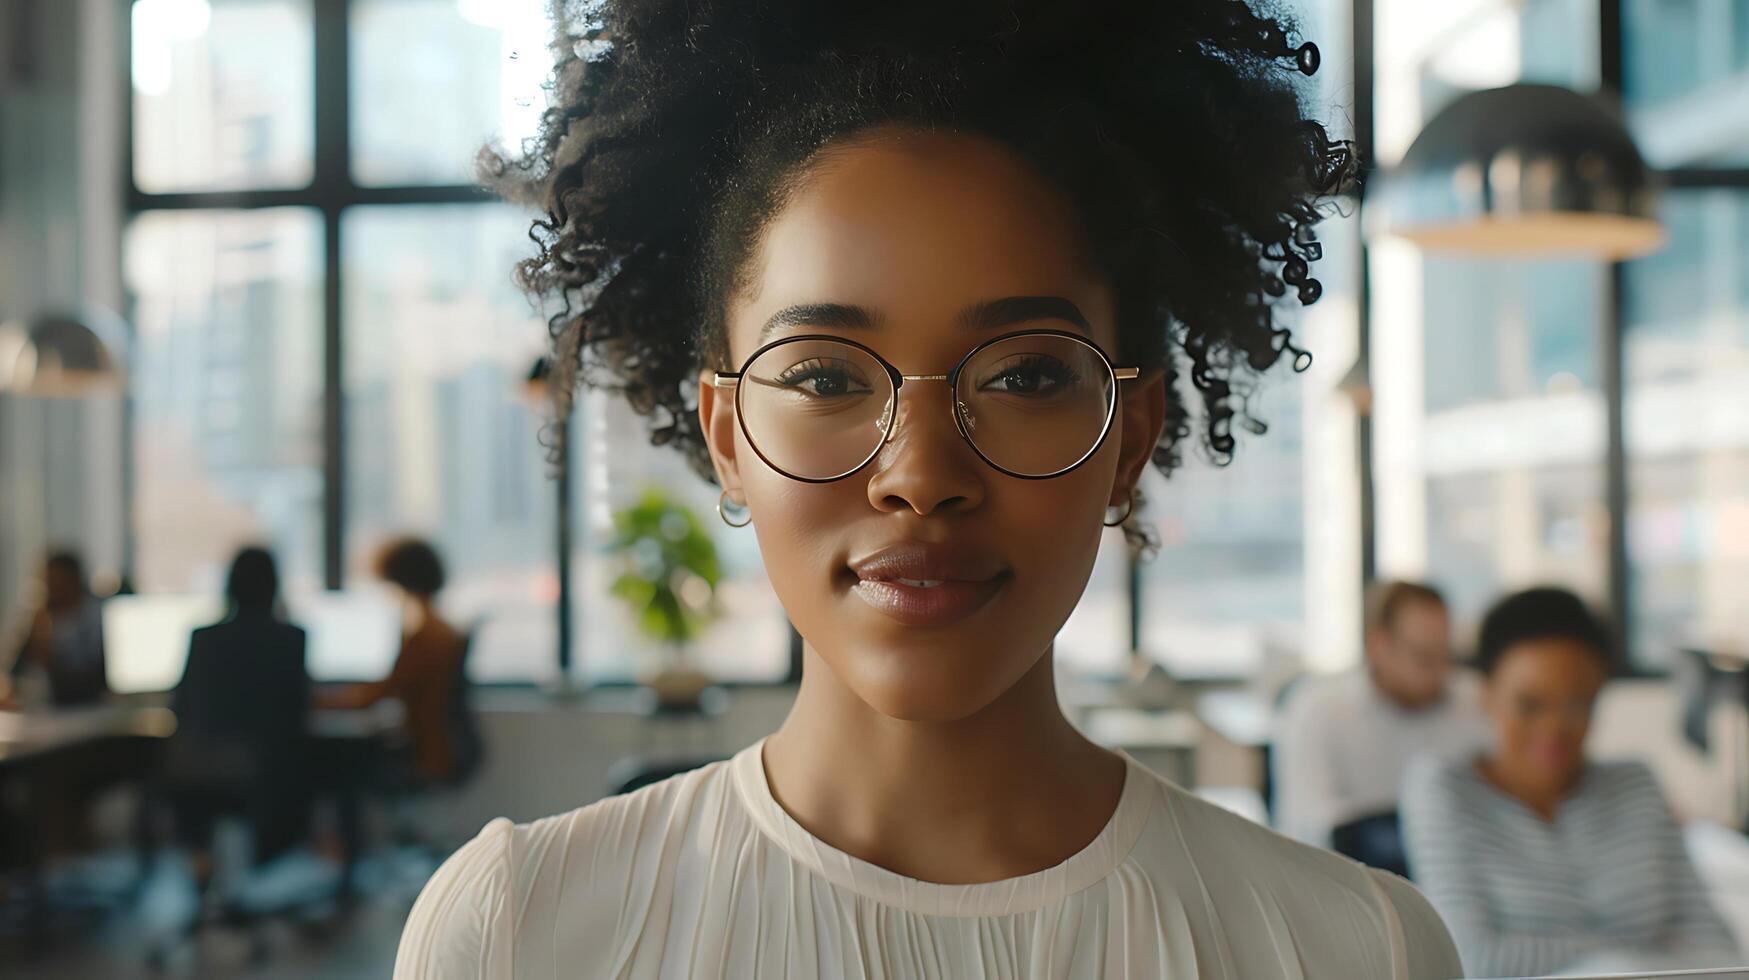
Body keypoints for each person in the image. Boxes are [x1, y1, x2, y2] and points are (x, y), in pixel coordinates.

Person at [396, 2, 1463, 977]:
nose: (920, 475)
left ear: (1131, 437)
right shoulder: (518, 932)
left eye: (1026, 374)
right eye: (821, 374)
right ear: (727, 436)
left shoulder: (1351, 947)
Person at [1401, 587, 1740, 978]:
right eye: (1530, 705)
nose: (1554, 728)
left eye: (1577, 704)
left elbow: (1719, 948)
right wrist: (1625, 960)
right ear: (1486, 694)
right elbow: (1469, 959)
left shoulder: (1636, 785)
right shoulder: (1444, 791)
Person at [1273, 581, 1490, 858]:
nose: (1441, 671)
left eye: (1446, 655)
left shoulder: (1475, 700)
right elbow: (1311, 832)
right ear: (1378, 647)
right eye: (1424, 657)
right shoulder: (1320, 711)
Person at [166, 547, 312, 869]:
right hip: (261, 771)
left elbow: (178, 708)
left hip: (195, 765)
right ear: (275, 586)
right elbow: (297, 713)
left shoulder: (203, 638)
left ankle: (211, 870)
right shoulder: (289, 639)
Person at [319, 538, 465, 786]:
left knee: (334, 763)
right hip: (431, 746)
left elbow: (378, 694)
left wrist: (319, 700)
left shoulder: (425, 636)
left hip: (424, 753)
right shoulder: (440, 629)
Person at [7, 550, 109, 707]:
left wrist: (48, 655)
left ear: (74, 580)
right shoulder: (41, 617)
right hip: (44, 709)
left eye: (57, 580)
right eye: (48, 581)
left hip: (91, 707)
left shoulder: (98, 616)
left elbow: (94, 679)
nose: (51, 587)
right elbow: (16, 670)